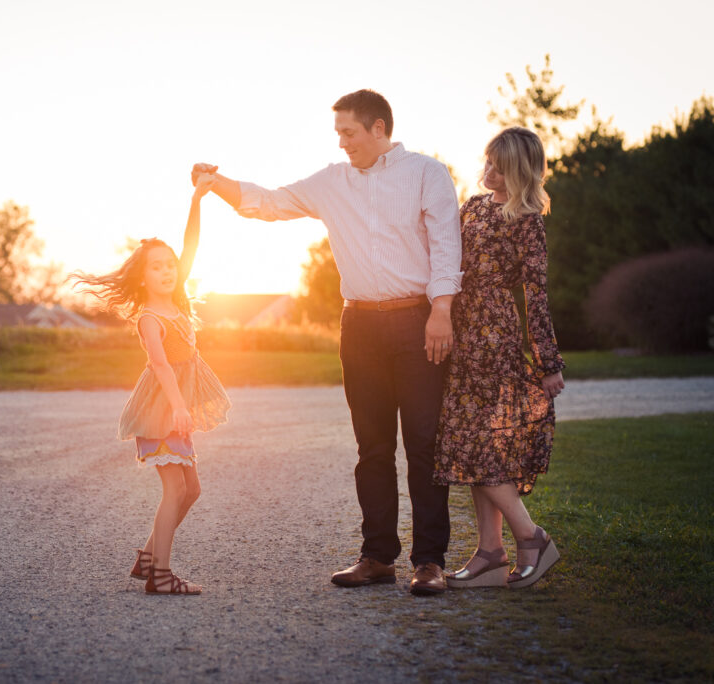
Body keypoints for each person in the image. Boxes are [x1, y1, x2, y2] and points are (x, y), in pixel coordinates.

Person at [192, 89, 462, 595]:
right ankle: (378, 556)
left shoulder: (427, 173)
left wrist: (442, 311)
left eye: (349, 133)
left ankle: (430, 562)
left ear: (379, 128)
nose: (341, 143)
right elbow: (269, 203)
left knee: (425, 444)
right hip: (358, 327)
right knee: (373, 447)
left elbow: (448, 243)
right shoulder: (331, 182)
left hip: (417, 321)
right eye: (337, 133)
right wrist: (217, 182)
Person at [72, 174, 230, 596]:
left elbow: (190, 242)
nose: (166, 271)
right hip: (161, 409)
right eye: (156, 267)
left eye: (170, 265)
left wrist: (198, 199)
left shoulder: (178, 301)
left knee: (191, 489)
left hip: (175, 407)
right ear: (143, 277)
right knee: (175, 489)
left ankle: (147, 557)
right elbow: (160, 367)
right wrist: (179, 408)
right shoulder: (150, 318)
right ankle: (160, 575)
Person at [433, 127, 564, 589]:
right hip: (460, 331)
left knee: (474, 445)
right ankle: (490, 551)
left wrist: (548, 362)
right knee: (476, 446)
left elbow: (536, 295)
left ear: (521, 172)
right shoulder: (472, 205)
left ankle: (531, 538)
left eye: (500, 168)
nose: (488, 172)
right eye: (487, 163)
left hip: (494, 336)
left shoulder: (528, 219)